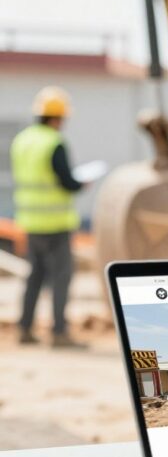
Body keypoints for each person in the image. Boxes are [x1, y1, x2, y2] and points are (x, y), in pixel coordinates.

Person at [11, 86, 87, 349]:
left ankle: (24, 328)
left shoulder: (22, 140)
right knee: (60, 279)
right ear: (57, 118)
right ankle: (58, 333)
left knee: (34, 276)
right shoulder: (54, 142)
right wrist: (81, 184)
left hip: (30, 222)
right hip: (55, 223)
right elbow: (66, 181)